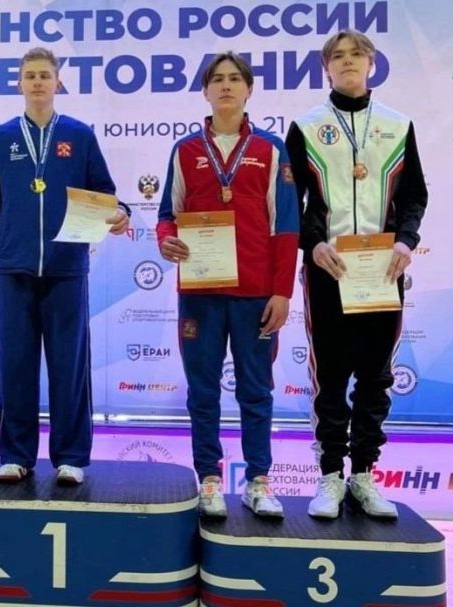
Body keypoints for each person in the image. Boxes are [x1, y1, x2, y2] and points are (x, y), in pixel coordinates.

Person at [0, 47, 129, 486]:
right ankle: (15, 455)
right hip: (15, 269)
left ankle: (71, 456)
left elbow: (106, 193)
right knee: (16, 366)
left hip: (66, 269)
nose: (38, 82)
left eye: (45, 75)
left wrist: (120, 213)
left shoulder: (79, 135)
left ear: (58, 82)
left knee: (69, 366)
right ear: (19, 83)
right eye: (30, 75)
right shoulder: (0, 139)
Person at [285, 30, 427, 519]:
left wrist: (406, 241)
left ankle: (364, 473)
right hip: (329, 268)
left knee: (375, 374)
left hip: (383, 269)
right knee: (330, 374)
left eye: (356, 54)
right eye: (337, 56)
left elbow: (414, 195)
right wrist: (314, 244)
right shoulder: (306, 127)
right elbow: (293, 203)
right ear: (326, 68)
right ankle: (330, 475)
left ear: (371, 63)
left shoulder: (397, 125)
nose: (347, 62)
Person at [157, 52, 299, 518]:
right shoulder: (185, 150)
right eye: (216, 79)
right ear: (205, 91)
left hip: (256, 294)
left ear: (249, 89)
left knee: (256, 390)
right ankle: (209, 480)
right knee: (203, 390)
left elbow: (286, 225)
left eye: (235, 79)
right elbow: (167, 215)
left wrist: (282, 291)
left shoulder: (271, 148)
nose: (225, 86)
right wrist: (166, 240)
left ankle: (259, 480)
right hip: (200, 293)